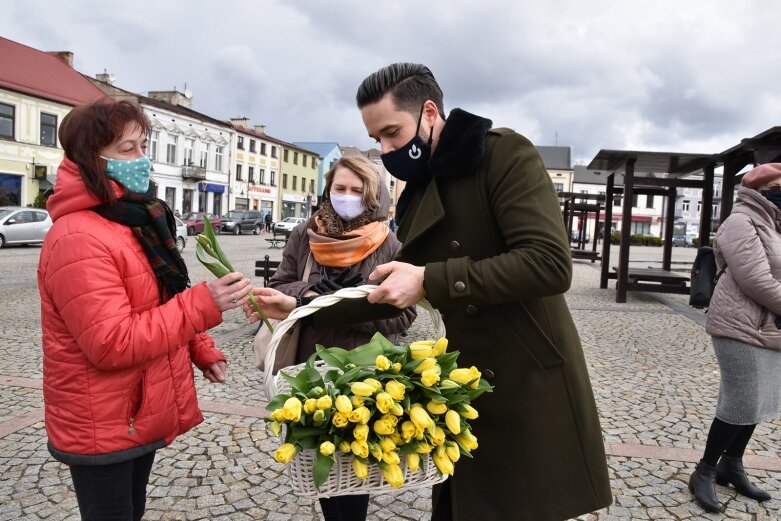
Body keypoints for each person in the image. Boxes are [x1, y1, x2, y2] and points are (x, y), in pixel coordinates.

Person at [251, 63, 612, 520]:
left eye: (391, 133)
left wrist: (432, 280)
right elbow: (392, 288)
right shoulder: (421, 189)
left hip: (526, 378)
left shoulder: (503, 154)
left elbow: (549, 263)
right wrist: (302, 306)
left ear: (428, 112)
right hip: (461, 387)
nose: (384, 149)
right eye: (376, 138)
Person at [37, 99, 252, 521]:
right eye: (127, 149)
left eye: (142, 145)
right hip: (103, 419)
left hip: (135, 410)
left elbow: (161, 296)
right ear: (90, 159)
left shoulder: (132, 218)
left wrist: (200, 347)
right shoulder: (78, 236)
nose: (142, 158)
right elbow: (111, 343)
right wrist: (205, 304)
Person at [261, 155, 416, 521]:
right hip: (308, 371)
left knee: (356, 466)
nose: (346, 196)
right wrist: (314, 291)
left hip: (362, 373)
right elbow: (281, 285)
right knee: (322, 460)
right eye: (340, 188)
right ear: (328, 189)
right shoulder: (305, 234)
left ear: (371, 197)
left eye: (356, 191)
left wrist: (355, 304)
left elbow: (406, 314)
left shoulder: (387, 243)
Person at [689, 163, 781, 513]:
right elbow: (755, 278)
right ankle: (705, 470)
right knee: (741, 400)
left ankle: (733, 464)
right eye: (775, 186)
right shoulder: (741, 221)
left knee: (757, 402)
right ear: (758, 190)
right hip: (738, 326)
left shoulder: (775, 224)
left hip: (769, 326)